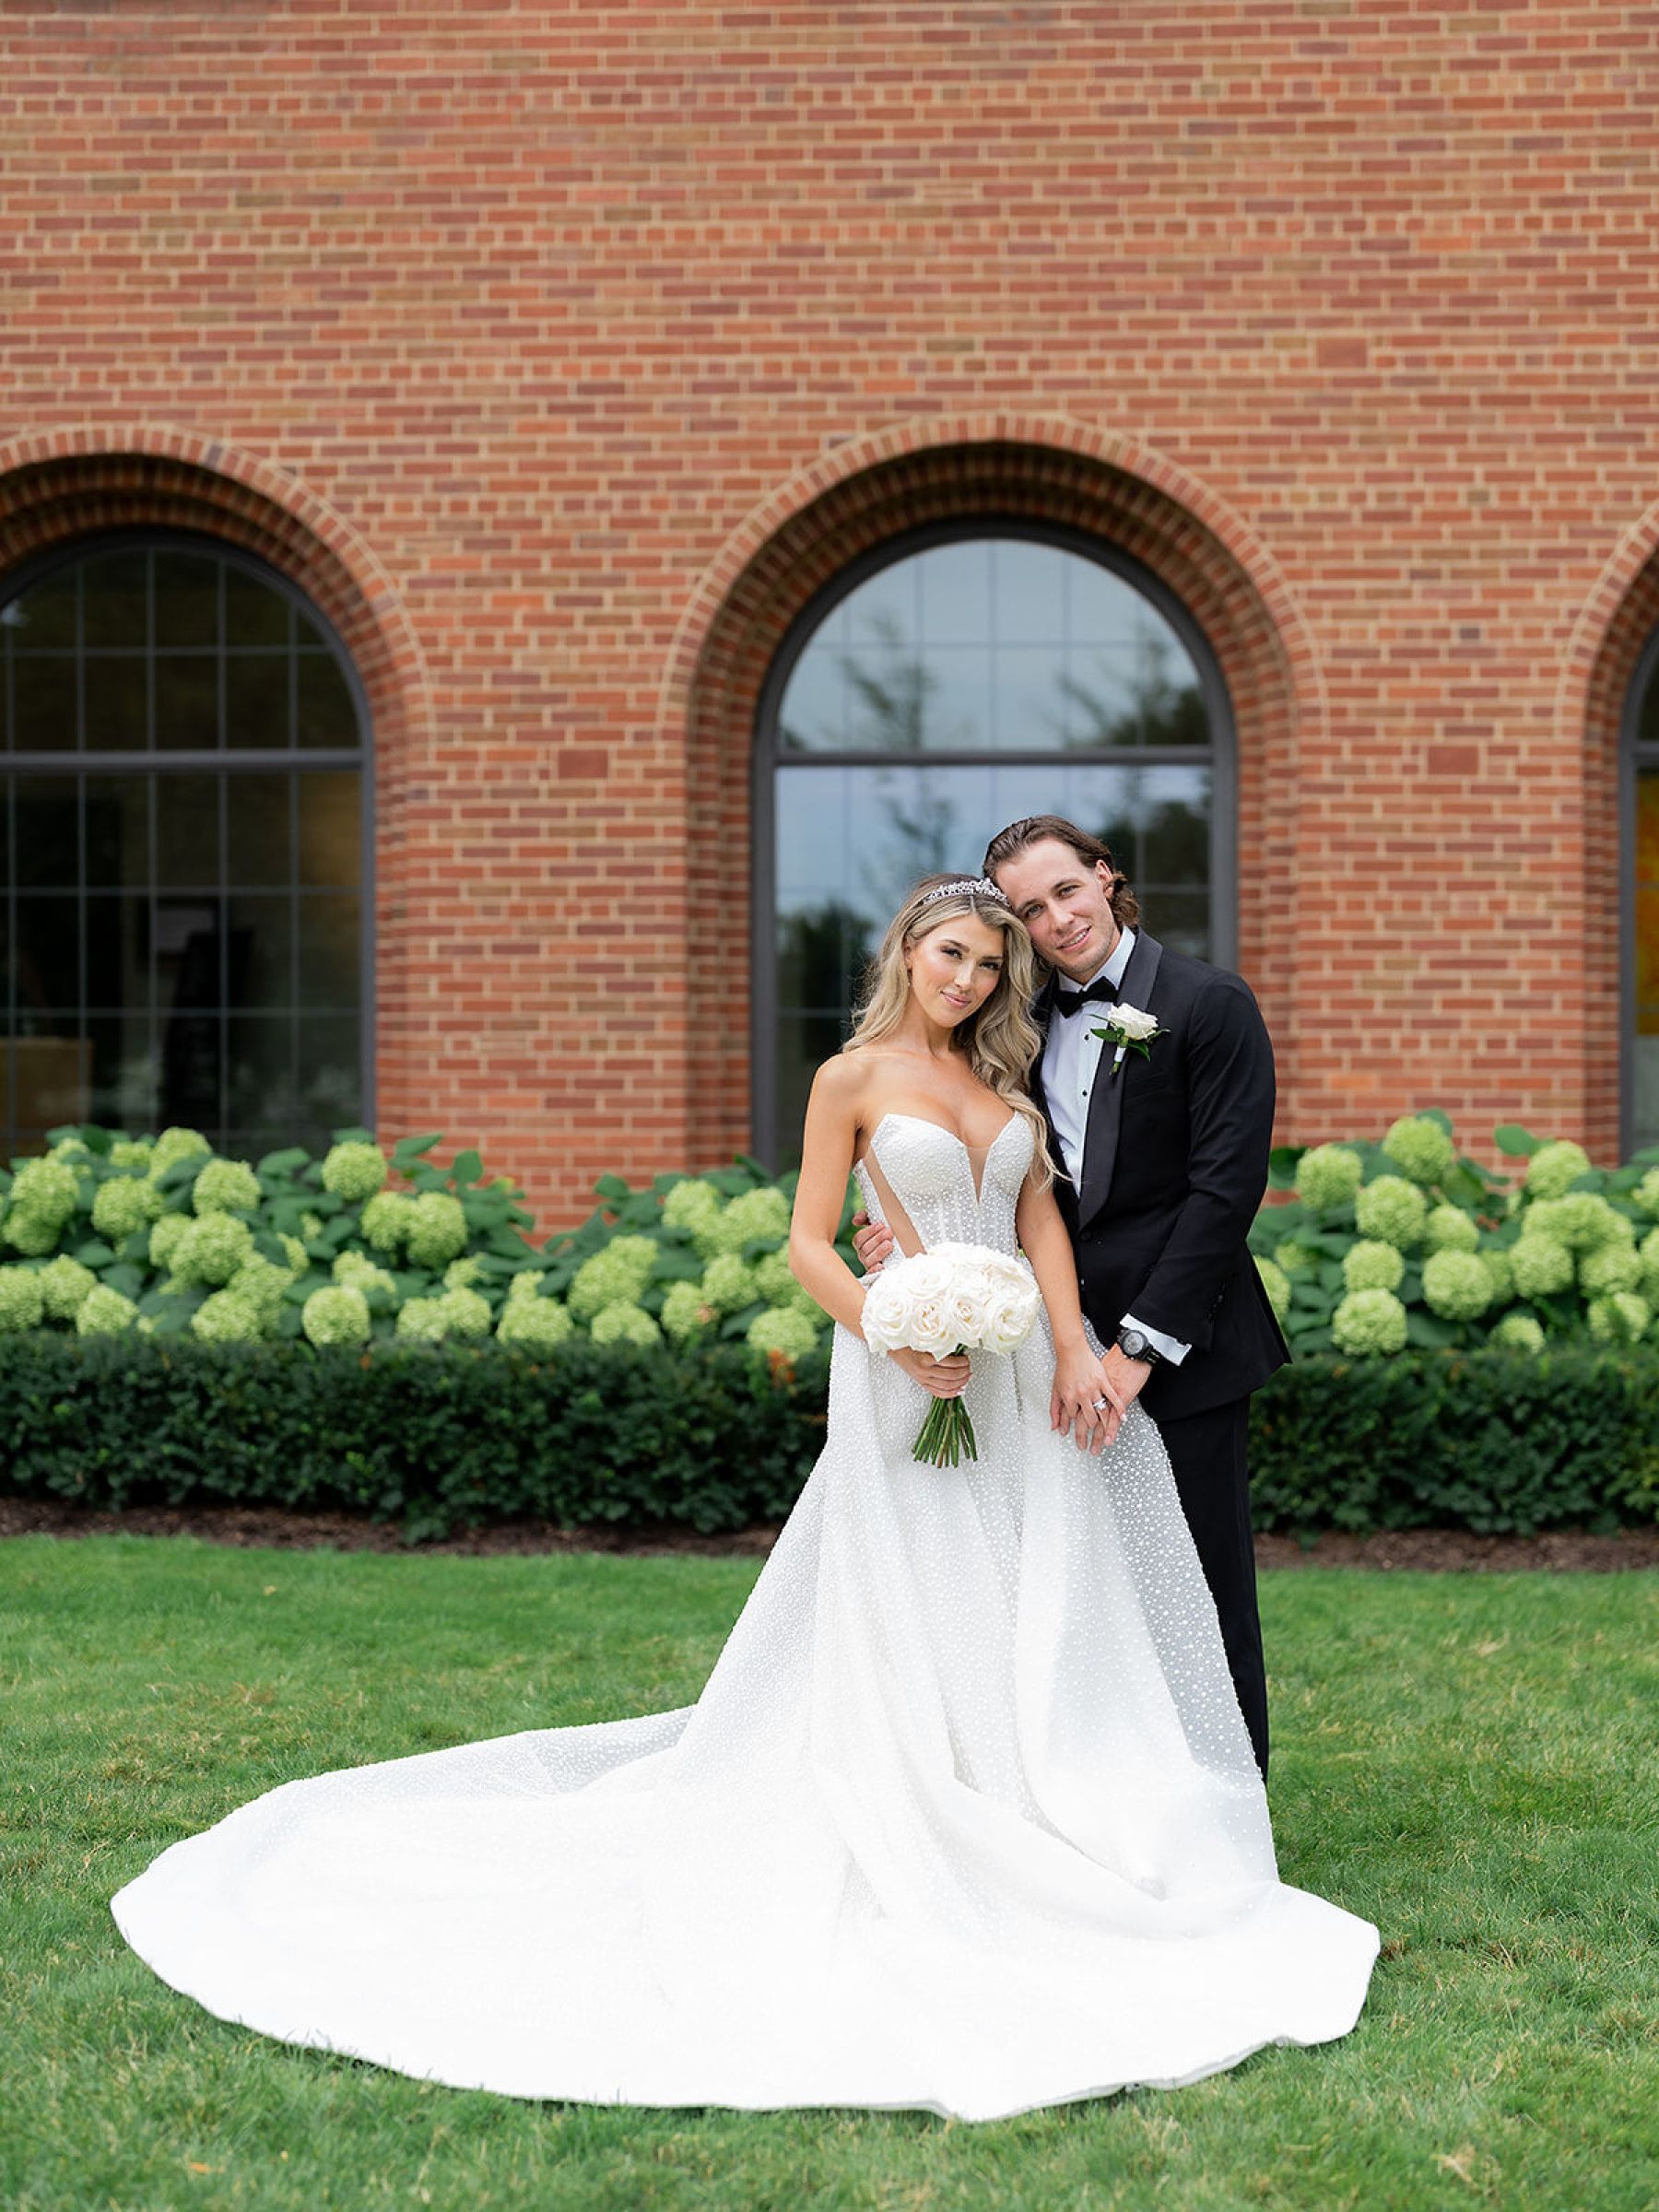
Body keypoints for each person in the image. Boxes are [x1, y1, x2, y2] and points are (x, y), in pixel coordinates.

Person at [112, 876, 1375, 2123]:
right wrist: (891, 1324)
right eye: (953, 954)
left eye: (991, 965)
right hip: (904, 1368)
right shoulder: (851, 1081)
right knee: (923, 1590)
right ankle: (930, 1807)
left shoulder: (1006, 1078)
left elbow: (1041, 1219)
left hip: (1019, 1379)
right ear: (908, 952)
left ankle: (1048, 1799)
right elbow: (810, 1243)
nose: (971, 980)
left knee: (1041, 1584)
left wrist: (1070, 1346)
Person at [854, 819, 1286, 1778]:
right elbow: (985, 1166)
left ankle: (1233, 1804)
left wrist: (1136, 1352)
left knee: (1202, 1591)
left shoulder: (1210, 1004)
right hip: (1044, 1355)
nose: (1057, 920)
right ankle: (1107, 1796)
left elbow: (1224, 1195)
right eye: (1031, 910)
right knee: (1075, 1589)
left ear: (1105, 877)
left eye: (1067, 892)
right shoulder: (1017, 1022)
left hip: (1180, 1356)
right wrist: (900, 1237)